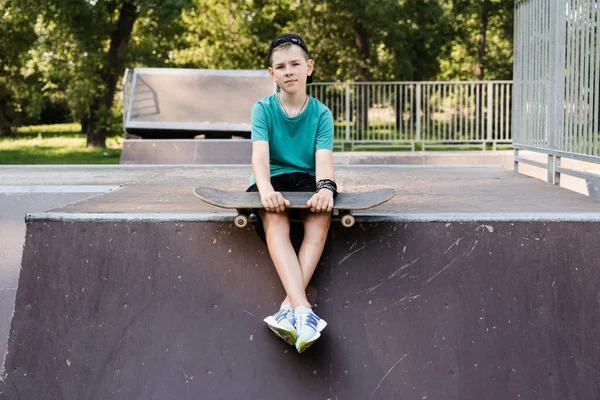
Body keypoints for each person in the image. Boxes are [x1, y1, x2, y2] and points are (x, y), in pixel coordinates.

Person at [246, 33, 337, 353]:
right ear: (272, 74)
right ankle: (305, 312)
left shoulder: (322, 113)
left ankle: (290, 310)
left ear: (309, 67)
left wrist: (325, 189)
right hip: (273, 178)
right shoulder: (263, 109)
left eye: (295, 64)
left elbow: (324, 161)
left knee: (320, 220)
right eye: (280, 66)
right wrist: (266, 190)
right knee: (277, 222)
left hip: (308, 180)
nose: (288, 71)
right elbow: (259, 155)